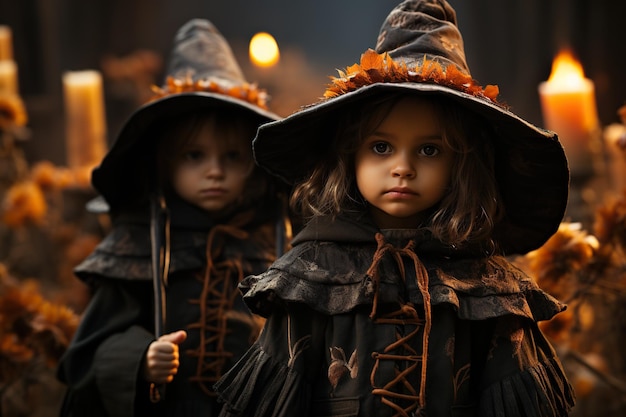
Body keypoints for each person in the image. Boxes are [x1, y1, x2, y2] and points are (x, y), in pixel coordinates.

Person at [214, 1, 575, 416]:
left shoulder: (489, 288)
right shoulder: (310, 276)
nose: (403, 167)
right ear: (349, 156)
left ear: (461, 164)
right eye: (381, 147)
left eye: (429, 149)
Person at [56, 19, 288, 417]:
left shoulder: (277, 237)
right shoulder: (139, 243)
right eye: (194, 156)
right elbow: (91, 352)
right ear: (165, 163)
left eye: (231, 156)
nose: (214, 171)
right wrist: (141, 359)